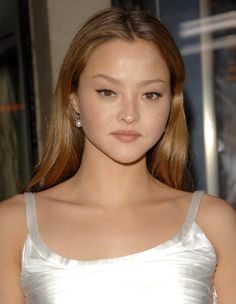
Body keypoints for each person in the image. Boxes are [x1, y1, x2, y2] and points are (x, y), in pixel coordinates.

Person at [0, 7, 235, 304]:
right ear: (74, 99)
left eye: (150, 94)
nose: (129, 115)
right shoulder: (12, 226)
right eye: (108, 92)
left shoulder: (214, 223)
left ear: (170, 105)